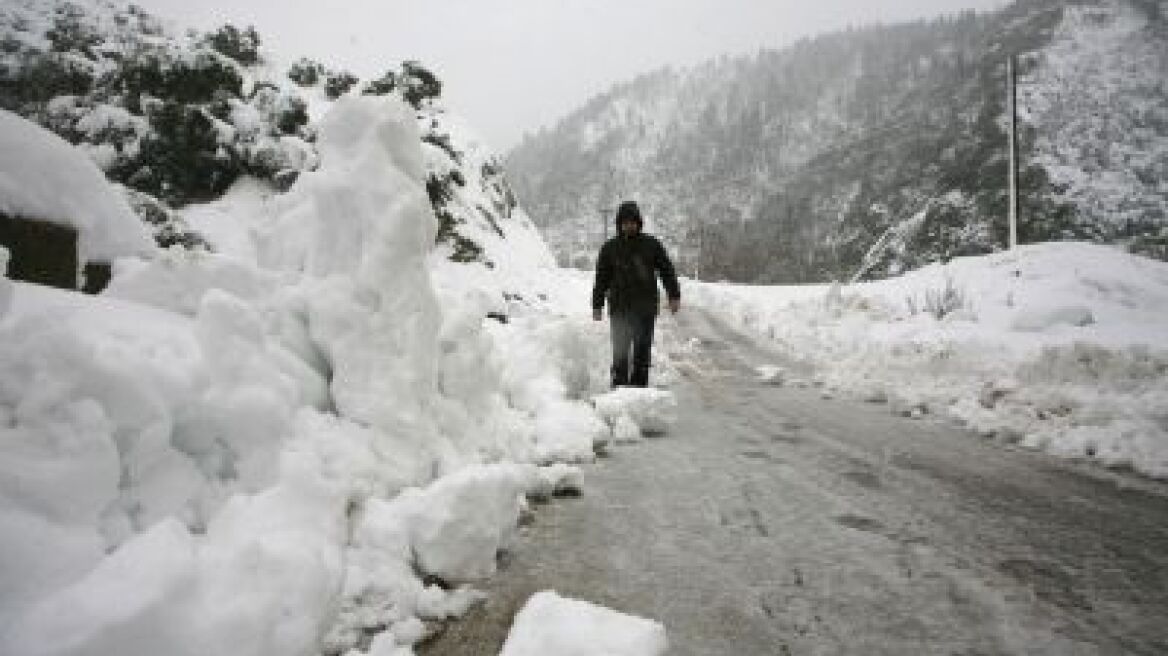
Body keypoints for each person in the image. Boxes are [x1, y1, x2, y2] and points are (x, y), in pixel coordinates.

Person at [592, 200, 681, 388]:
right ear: (619, 224)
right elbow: (601, 278)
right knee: (620, 353)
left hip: (645, 309)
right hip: (620, 309)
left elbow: (667, 270)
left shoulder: (651, 245)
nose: (629, 225)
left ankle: (639, 392)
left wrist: (673, 295)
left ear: (638, 223)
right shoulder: (610, 248)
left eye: (632, 222)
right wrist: (597, 304)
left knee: (642, 352)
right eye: (624, 222)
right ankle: (619, 390)